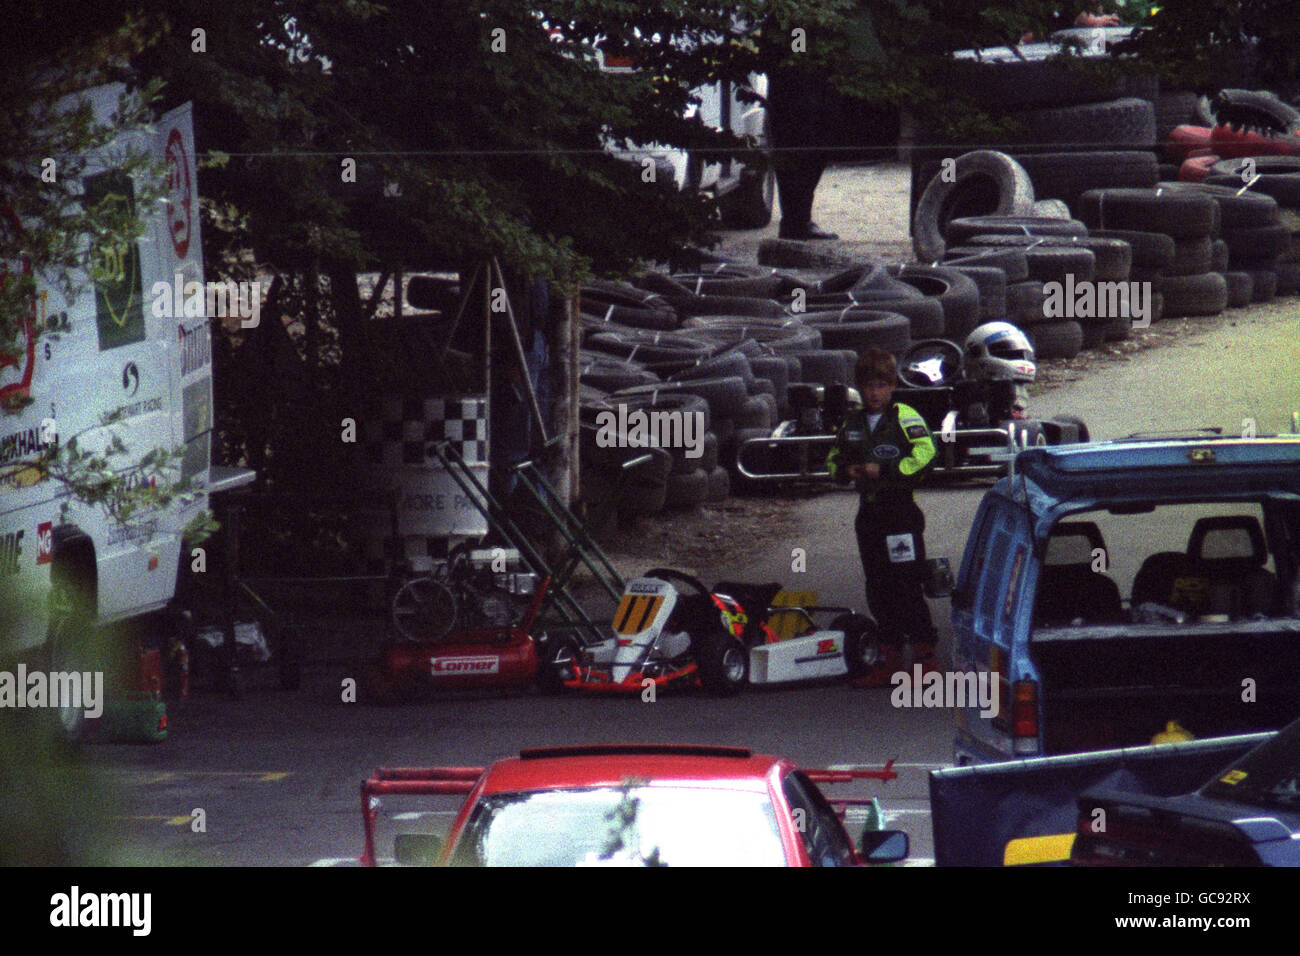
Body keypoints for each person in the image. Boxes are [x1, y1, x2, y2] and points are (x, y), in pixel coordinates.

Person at [826, 349, 938, 650]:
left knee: (907, 586)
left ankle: (925, 656)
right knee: (877, 588)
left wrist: (886, 469)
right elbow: (833, 460)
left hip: (900, 512)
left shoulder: (904, 416)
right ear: (860, 388)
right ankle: (889, 656)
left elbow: (926, 455)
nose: (874, 393)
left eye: (881, 386)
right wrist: (845, 471)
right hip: (869, 516)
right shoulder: (853, 423)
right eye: (869, 386)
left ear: (891, 387)